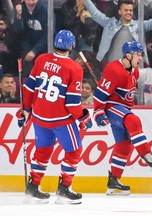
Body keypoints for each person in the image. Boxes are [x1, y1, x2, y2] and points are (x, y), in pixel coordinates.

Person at [15, 29, 92, 204]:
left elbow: (28, 88)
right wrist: (83, 117)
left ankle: (33, 187)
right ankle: (64, 189)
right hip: (61, 120)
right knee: (74, 151)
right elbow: (72, 103)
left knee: (42, 151)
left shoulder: (41, 59)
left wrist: (25, 109)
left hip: (40, 118)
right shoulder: (74, 67)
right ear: (71, 46)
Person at [93, 40, 152, 196]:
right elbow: (100, 94)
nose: (141, 57)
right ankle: (146, 154)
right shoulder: (113, 69)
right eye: (138, 54)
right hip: (111, 107)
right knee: (133, 121)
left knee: (124, 145)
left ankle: (113, 181)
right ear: (128, 55)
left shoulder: (134, 71)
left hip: (123, 110)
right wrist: (98, 112)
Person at [77, 0, 152, 65]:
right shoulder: (109, 23)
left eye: (130, 10)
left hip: (132, 67)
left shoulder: (140, 26)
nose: (129, 12)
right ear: (119, 11)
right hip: (112, 66)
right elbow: (95, 13)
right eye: (126, 10)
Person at [12, 0, 49, 77]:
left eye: (33, 0)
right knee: (27, 71)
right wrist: (18, 17)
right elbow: (17, 31)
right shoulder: (20, 9)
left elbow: (48, 34)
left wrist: (35, 50)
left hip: (43, 46)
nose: (31, 2)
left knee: (42, 72)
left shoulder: (45, 10)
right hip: (27, 45)